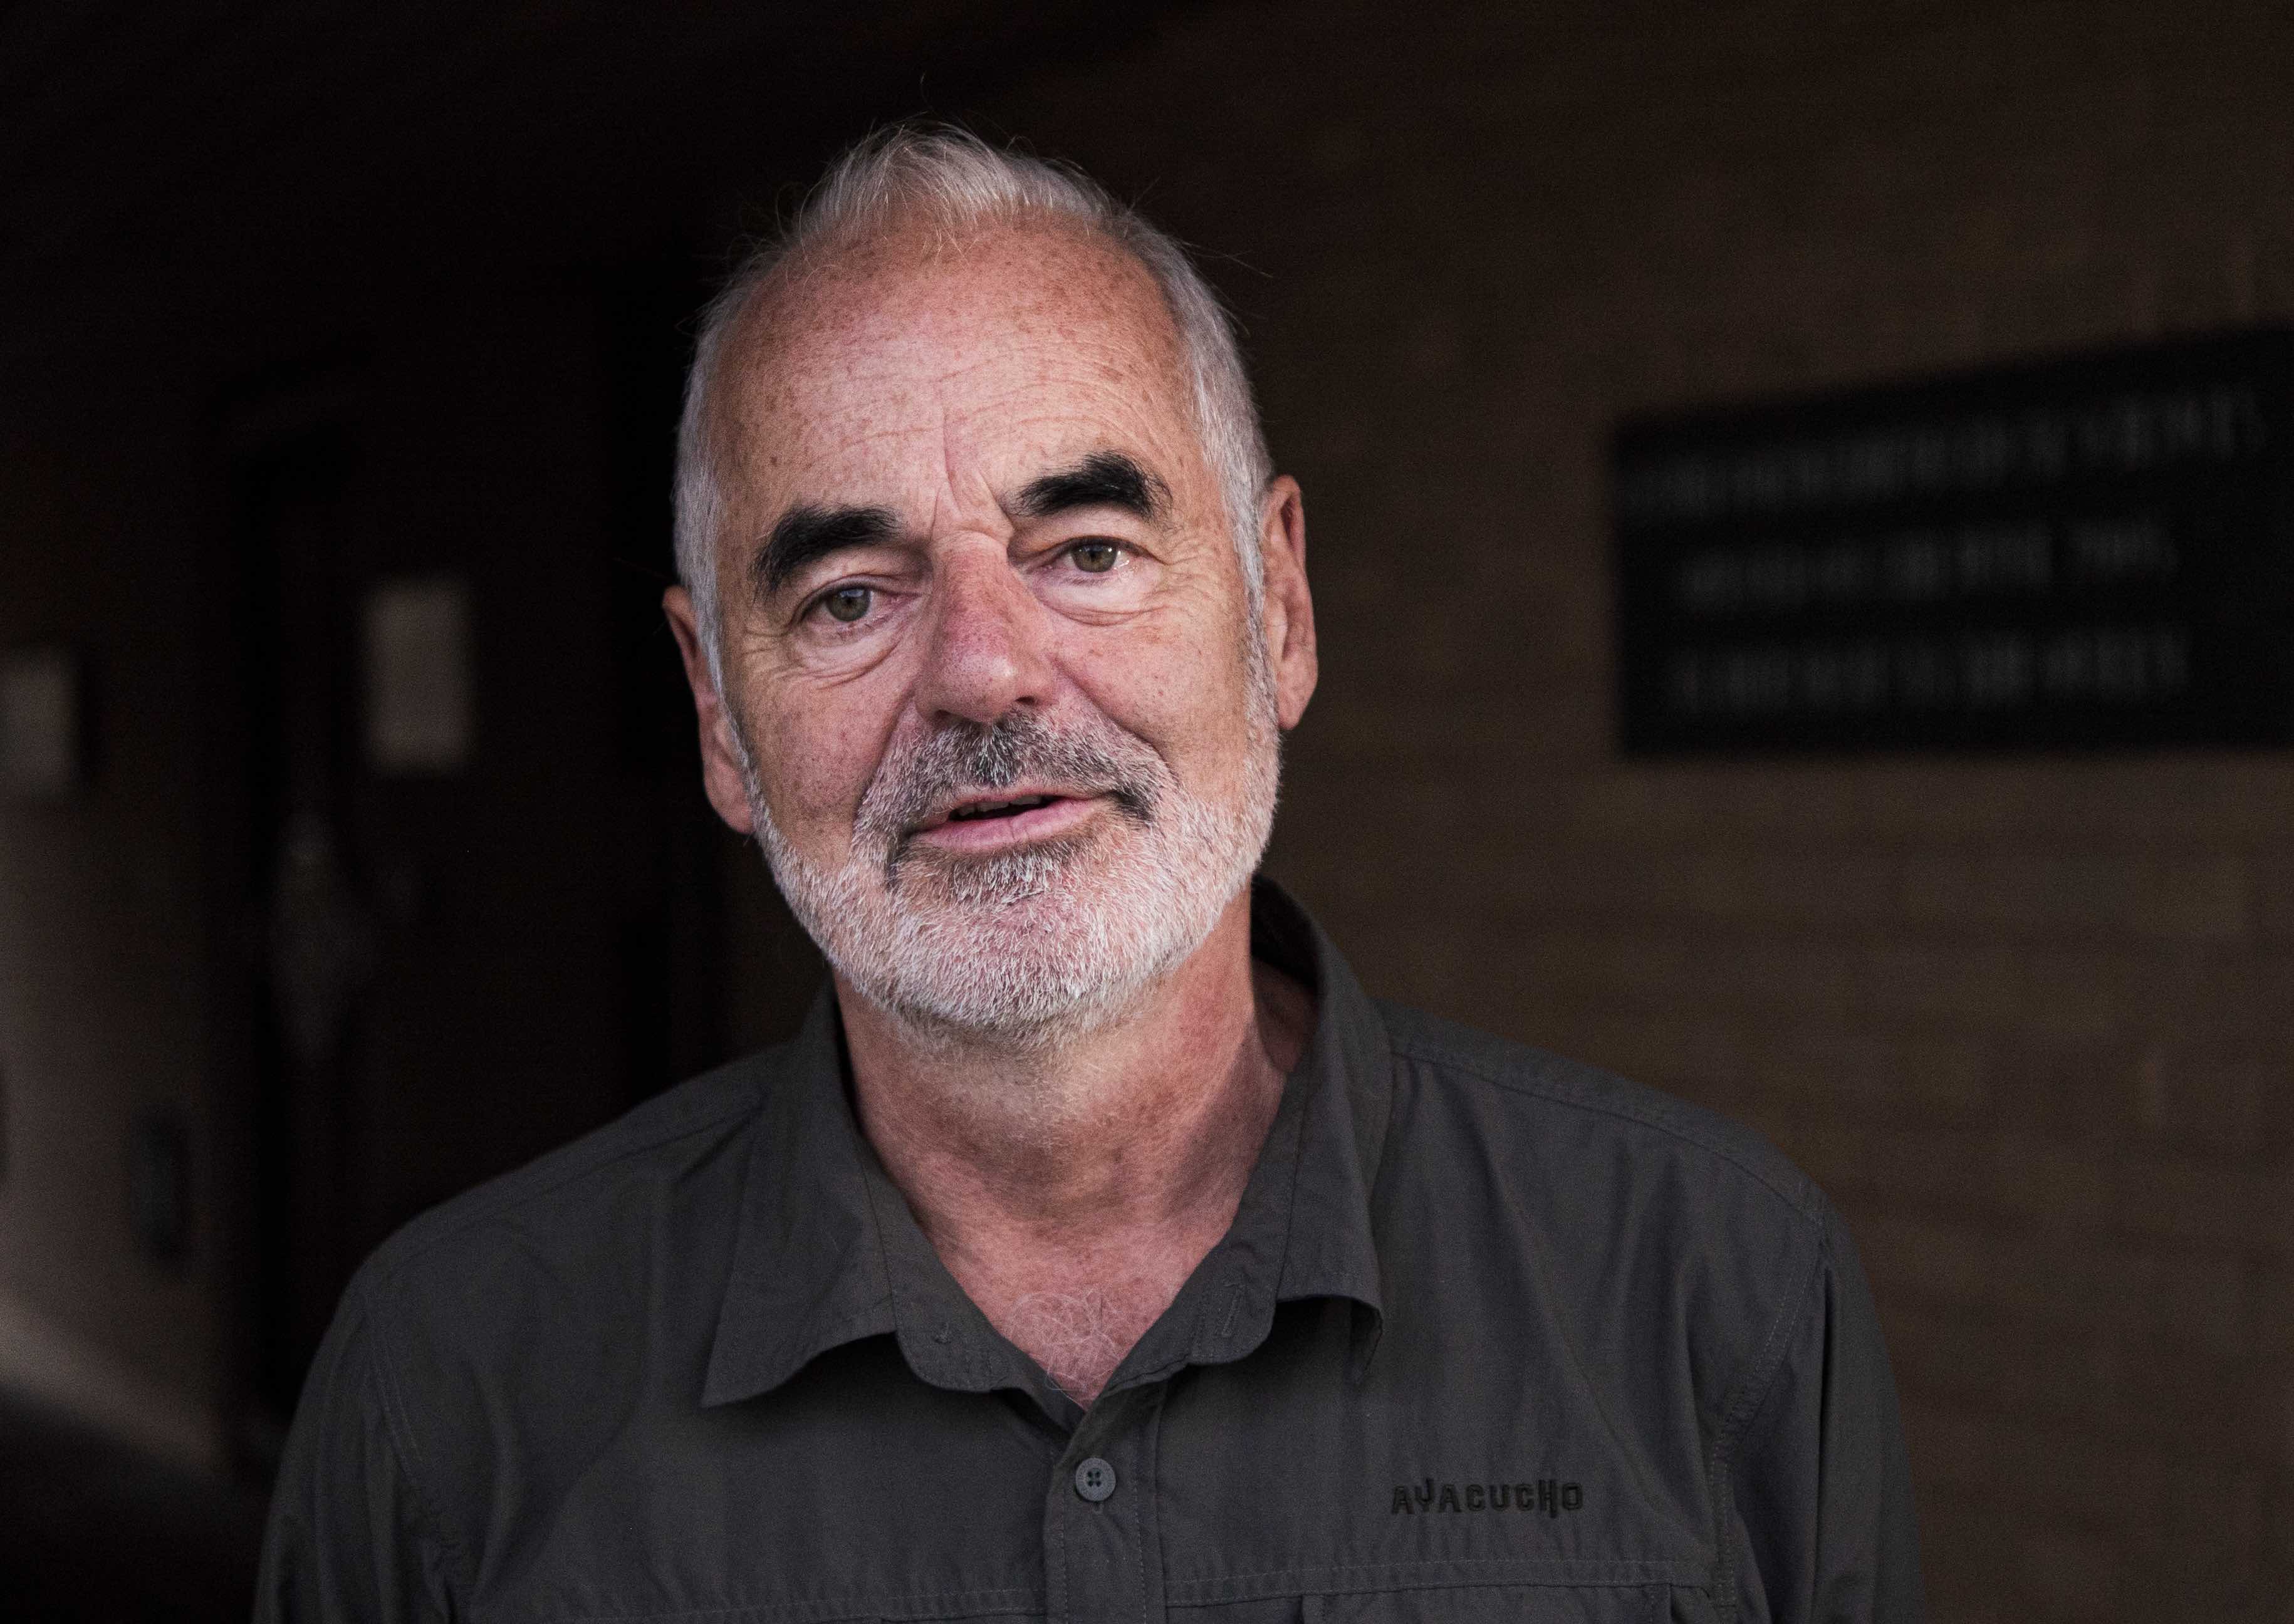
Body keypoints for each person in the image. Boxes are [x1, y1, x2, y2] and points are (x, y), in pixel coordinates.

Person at [256, 125, 1923, 1623]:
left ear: (1279, 607)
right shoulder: (451, 1394)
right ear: (716, 713)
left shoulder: (1713, 1294)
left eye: (1090, 550)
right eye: (851, 597)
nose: (986, 673)